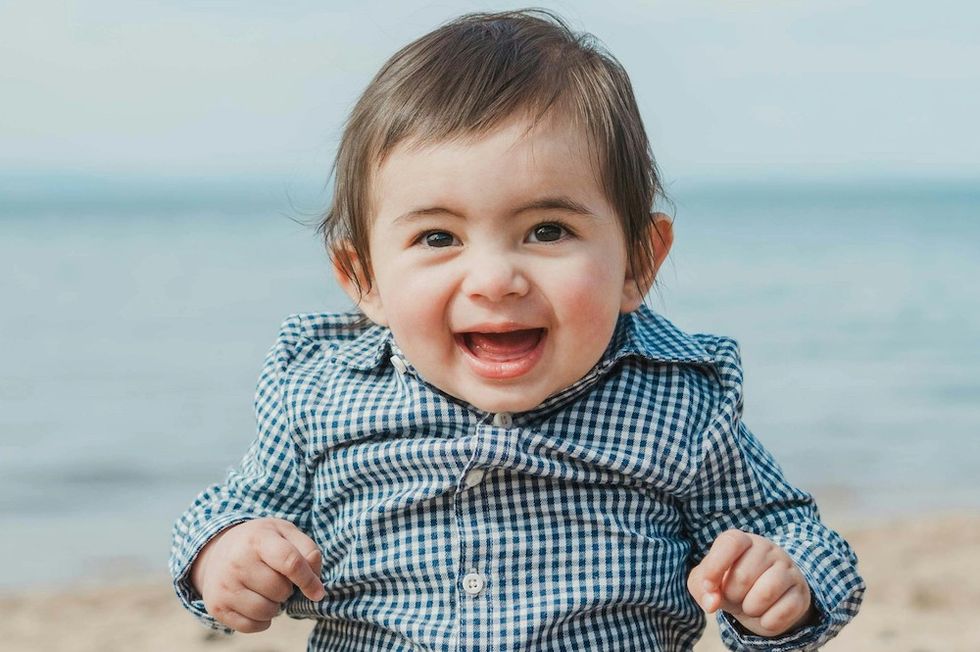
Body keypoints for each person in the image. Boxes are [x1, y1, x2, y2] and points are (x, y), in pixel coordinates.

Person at [170, 9, 864, 651]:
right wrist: (226, 554)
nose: (495, 279)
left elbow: (792, 531)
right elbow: (237, 506)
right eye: (439, 236)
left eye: (547, 230)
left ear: (640, 262)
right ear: (364, 279)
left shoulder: (679, 403)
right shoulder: (322, 393)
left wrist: (783, 586)